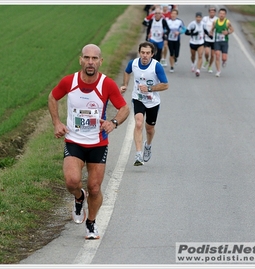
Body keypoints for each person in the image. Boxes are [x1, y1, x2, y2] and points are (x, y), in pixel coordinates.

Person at [48, 44, 129, 239]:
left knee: (94, 187)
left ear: (101, 61)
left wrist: (114, 122)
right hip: (74, 140)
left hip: (98, 143)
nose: (90, 62)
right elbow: (53, 97)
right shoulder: (70, 81)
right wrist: (57, 123)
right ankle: (78, 197)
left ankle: (91, 223)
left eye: (94, 58)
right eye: (87, 58)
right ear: (81, 60)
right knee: (71, 181)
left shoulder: (107, 84)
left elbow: (124, 108)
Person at [120, 41, 169, 166]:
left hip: (153, 101)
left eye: (147, 53)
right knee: (139, 123)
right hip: (138, 98)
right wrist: (125, 84)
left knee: (149, 128)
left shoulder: (156, 66)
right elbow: (127, 71)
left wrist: (150, 89)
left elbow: (165, 85)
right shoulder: (134, 63)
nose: (145, 56)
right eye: (142, 53)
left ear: (152, 54)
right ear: (139, 53)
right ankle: (138, 154)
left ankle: (148, 145)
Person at [184, 12, 212, 77]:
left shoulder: (203, 24)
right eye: (197, 17)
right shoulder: (192, 24)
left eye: (200, 17)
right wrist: (193, 33)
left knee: (200, 56)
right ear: (195, 17)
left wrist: (209, 36)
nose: (198, 19)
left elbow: (205, 31)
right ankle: (193, 63)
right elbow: (186, 32)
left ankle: (198, 70)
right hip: (193, 42)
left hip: (201, 42)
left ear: (201, 18)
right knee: (193, 56)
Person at [209, 8, 234, 77]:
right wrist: (211, 32)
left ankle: (224, 61)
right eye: (220, 13)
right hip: (217, 41)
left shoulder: (227, 22)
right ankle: (218, 70)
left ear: (225, 15)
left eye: (223, 14)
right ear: (218, 14)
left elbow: (232, 30)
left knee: (224, 58)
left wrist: (227, 32)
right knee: (217, 55)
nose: (221, 15)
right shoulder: (215, 21)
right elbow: (212, 28)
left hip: (224, 42)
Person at [165, 8, 185, 72]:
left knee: (176, 54)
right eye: (172, 14)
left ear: (177, 15)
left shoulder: (179, 21)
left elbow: (184, 29)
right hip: (170, 39)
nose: (173, 15)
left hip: (177, 39)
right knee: (171, 53)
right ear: (170, 14)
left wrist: (179, 32)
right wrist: (166, 33)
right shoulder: (167, 21)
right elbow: (164, 29)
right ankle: (172, 67)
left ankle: (175, 58)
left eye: (175, 14)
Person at [202, 6, 218, 73]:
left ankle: (210, 66)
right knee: (207, 52)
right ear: (209, 12)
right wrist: (203, 33)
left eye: (213, 12)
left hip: (214, 39)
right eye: (210, 12)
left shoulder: (217, 19)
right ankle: (206, 60)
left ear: (215, 13)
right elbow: (202, 26)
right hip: (207, 38)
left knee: (212, 54)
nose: (212, 13)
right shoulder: (205, 19)